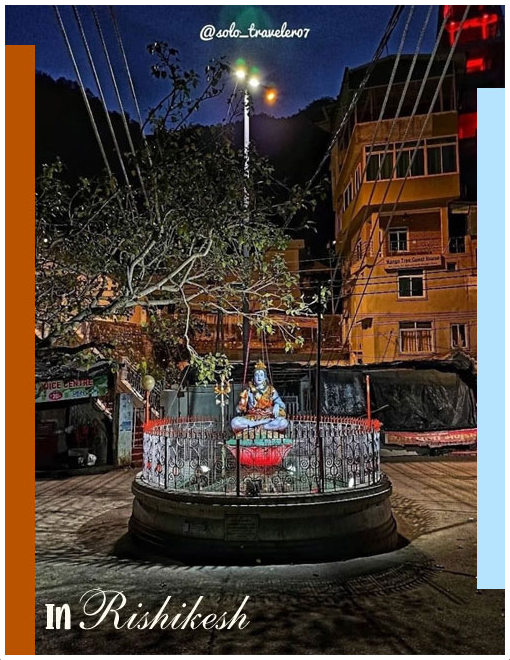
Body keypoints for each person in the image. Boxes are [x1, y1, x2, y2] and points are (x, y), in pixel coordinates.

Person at [231, 361, 288, 434]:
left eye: (261, 375)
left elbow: (282, 405)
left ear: (265, 377)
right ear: (253, 377)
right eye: (256, 375)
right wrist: (241, 405)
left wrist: (276, 405)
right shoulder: (249, 390)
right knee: (234, 422)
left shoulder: (271, 390)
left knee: (283, 422)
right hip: (251, 418)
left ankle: (259, 427)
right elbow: (239, 409)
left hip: (268, 418)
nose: (259, 377)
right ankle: (258, 425)